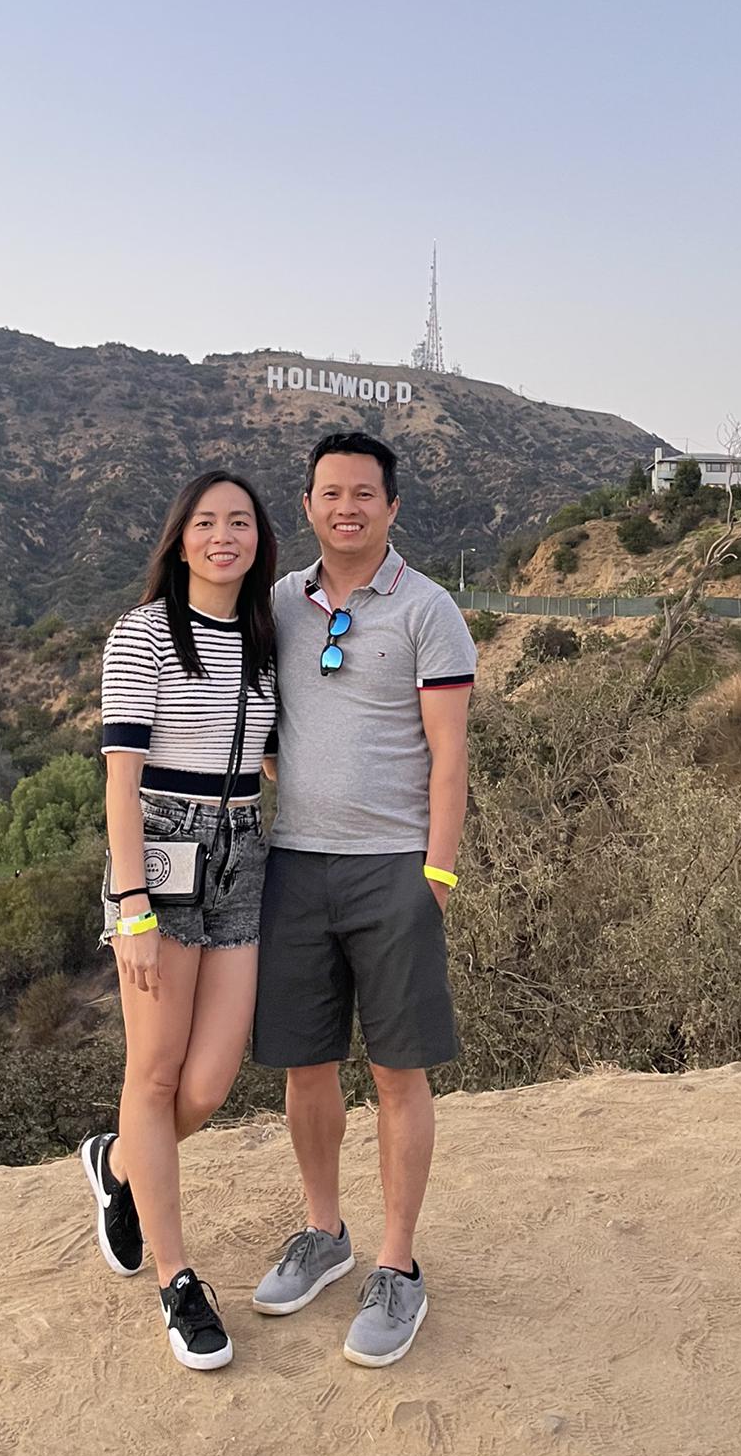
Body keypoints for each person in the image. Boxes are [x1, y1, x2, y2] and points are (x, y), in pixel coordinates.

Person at [250, 430, 475, 1367]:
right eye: (331, 493)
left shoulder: (428, 609)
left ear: (392, 507)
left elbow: (451, 754)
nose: (347, 508)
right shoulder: (277, 604)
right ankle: (324, 1233)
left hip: (394, 869)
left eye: (364, 494)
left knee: (396, 1073)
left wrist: (438, 874)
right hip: (294, 866)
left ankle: (397, 1266)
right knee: (306, 1066)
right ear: (307, 505)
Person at [80, 469, 279, 1372]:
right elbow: (121, 783)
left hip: (243, 851)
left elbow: (273, 757)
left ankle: (118, 1164)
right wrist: (132, 907)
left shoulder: (265, 637)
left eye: (239, 522)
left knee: (207, 1084)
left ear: (259, 539)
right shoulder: (145, 632)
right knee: (156, 1073)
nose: (222, 536)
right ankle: (178, 1281)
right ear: (180, 537)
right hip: (162, 853)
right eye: (206, 522)